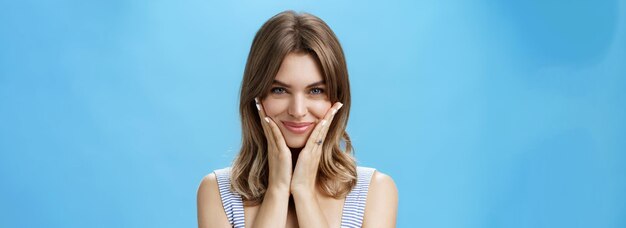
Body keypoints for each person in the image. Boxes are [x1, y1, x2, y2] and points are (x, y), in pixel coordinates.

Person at [197, 10, 398, 228]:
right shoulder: (218, 191)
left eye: (316, 91)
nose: (298, 110)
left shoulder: (374, 191)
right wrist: (278, 188)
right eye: (279, 89)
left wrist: (303, 192)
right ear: (256, 96)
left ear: (337, 99)